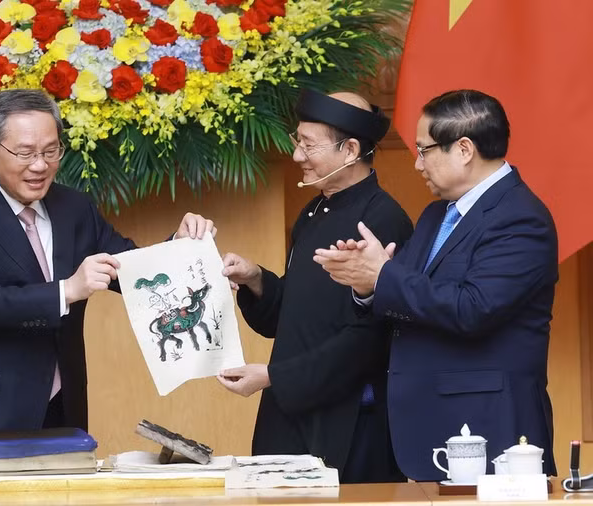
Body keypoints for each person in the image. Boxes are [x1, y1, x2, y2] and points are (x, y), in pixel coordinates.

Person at [0, 89, 216, 437]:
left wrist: (180, 245)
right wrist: (68, 290)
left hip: (61, 408)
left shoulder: (74, 208)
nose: (40, 165)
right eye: (25, 153)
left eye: (50, 151)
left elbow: (130, 270)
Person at [314, 89, 558, 480]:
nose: (417, 164)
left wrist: (382, 275)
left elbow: (474, 309)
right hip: (431, 427)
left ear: (464, 149)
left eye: (424, 150)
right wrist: (365, 282)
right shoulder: (435, 215)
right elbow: (402, 292)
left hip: (487, 429)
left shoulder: (520, 218)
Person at [217, 90, 413, 483]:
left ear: (350, 149)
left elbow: (370, 338)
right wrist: (256, 278)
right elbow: (288, 316)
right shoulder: (312, 212)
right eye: (297, 141)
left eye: (308, 145)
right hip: (288, 413)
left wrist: (275, 377)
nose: (297, 156)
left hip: (349, 420)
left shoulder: (384, 219)